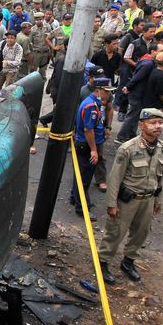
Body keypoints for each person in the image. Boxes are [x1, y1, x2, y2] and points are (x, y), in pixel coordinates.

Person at [99, 108, 163, 284]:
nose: (157, 126)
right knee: (115, 232)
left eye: (160, 123)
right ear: (141, 125)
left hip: (148, 199)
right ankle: (103, 262)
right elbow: (115, 178)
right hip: (127, 201)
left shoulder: (162, 148)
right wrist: (111, 204)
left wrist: (159, 200)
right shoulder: (128, 148)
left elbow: (161, 177)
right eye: (152, 123)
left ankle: (128, 262)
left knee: (140, 233)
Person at [71, 77, 115, 221]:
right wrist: (94, 150)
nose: (108, 95)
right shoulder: (91, 106)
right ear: (98, 90)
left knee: (80, 175)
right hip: (86, 145)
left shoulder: (94, 103)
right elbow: (88, 130)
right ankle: (82, 208)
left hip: (84, 143)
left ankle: (75, 198)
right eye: (106, 92)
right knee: (84, 179)